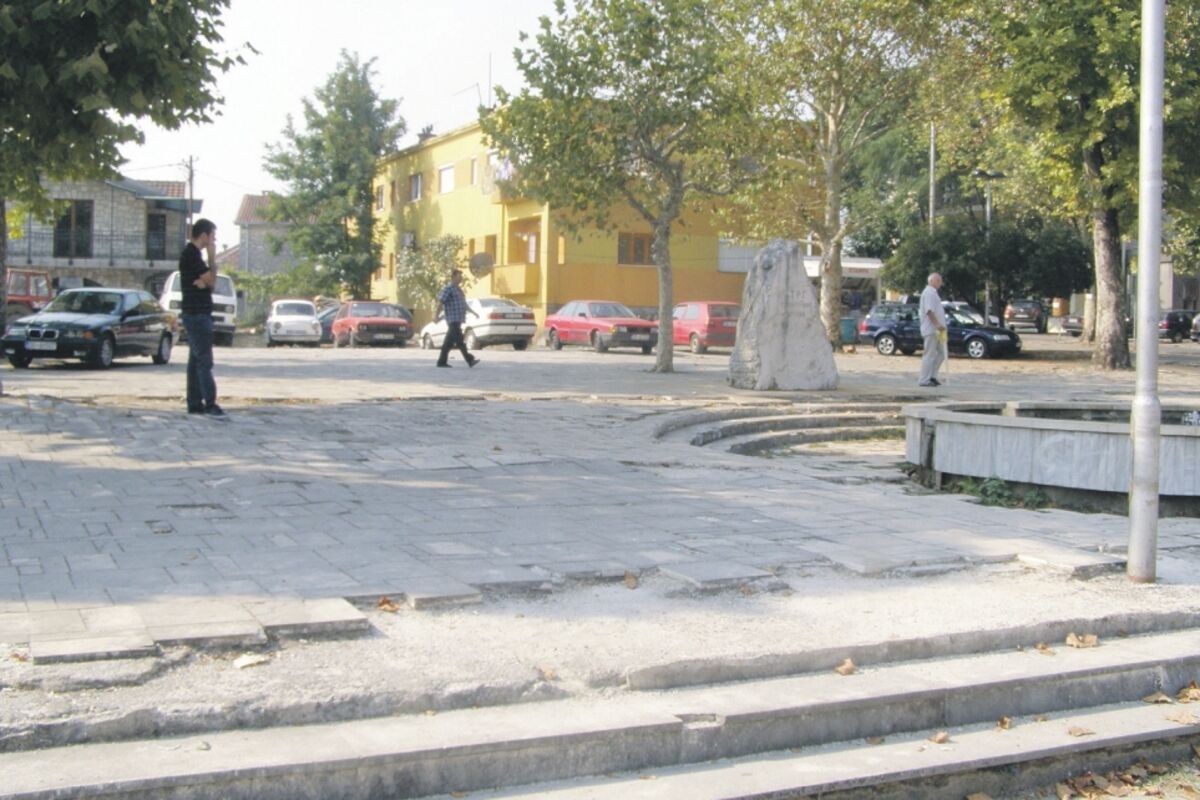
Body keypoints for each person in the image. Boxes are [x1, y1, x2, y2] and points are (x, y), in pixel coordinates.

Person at [178, 218, 226, 418]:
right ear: (204, 235)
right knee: (204, 360)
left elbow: (209, 284)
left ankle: (194, 402)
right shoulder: (191, 254)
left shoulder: (193, 255)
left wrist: (205, 283)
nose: (214, 240)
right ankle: (210, 402)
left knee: (195, 361)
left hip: (197, 313)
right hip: (197, 314)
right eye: (213, 235)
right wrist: (212, 258)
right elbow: (212, 281)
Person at [434, 269, 479, 368]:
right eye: (459, 277)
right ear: (453, 277)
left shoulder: (458, 290)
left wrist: (473, 312)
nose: (461, 279)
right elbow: (441, 302)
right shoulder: (448, 289)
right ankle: (469, 359)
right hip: (452, 319)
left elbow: (463, 304)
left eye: (461, 277)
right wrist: (436, 315)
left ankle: (441, 362)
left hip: (458, 319)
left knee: (448, 343)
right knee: (460, 341)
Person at [918, 272, 948, 388]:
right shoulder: (929, 293)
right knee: (929, 354)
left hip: (938, 330)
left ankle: (932, 376)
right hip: (932, 329)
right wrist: (937, 325)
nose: (940, 283)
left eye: (940, 280)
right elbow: (929, 311)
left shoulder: (934, 293)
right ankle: (924, 379)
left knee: (942, 352)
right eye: (938, 280)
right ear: (931, 281)